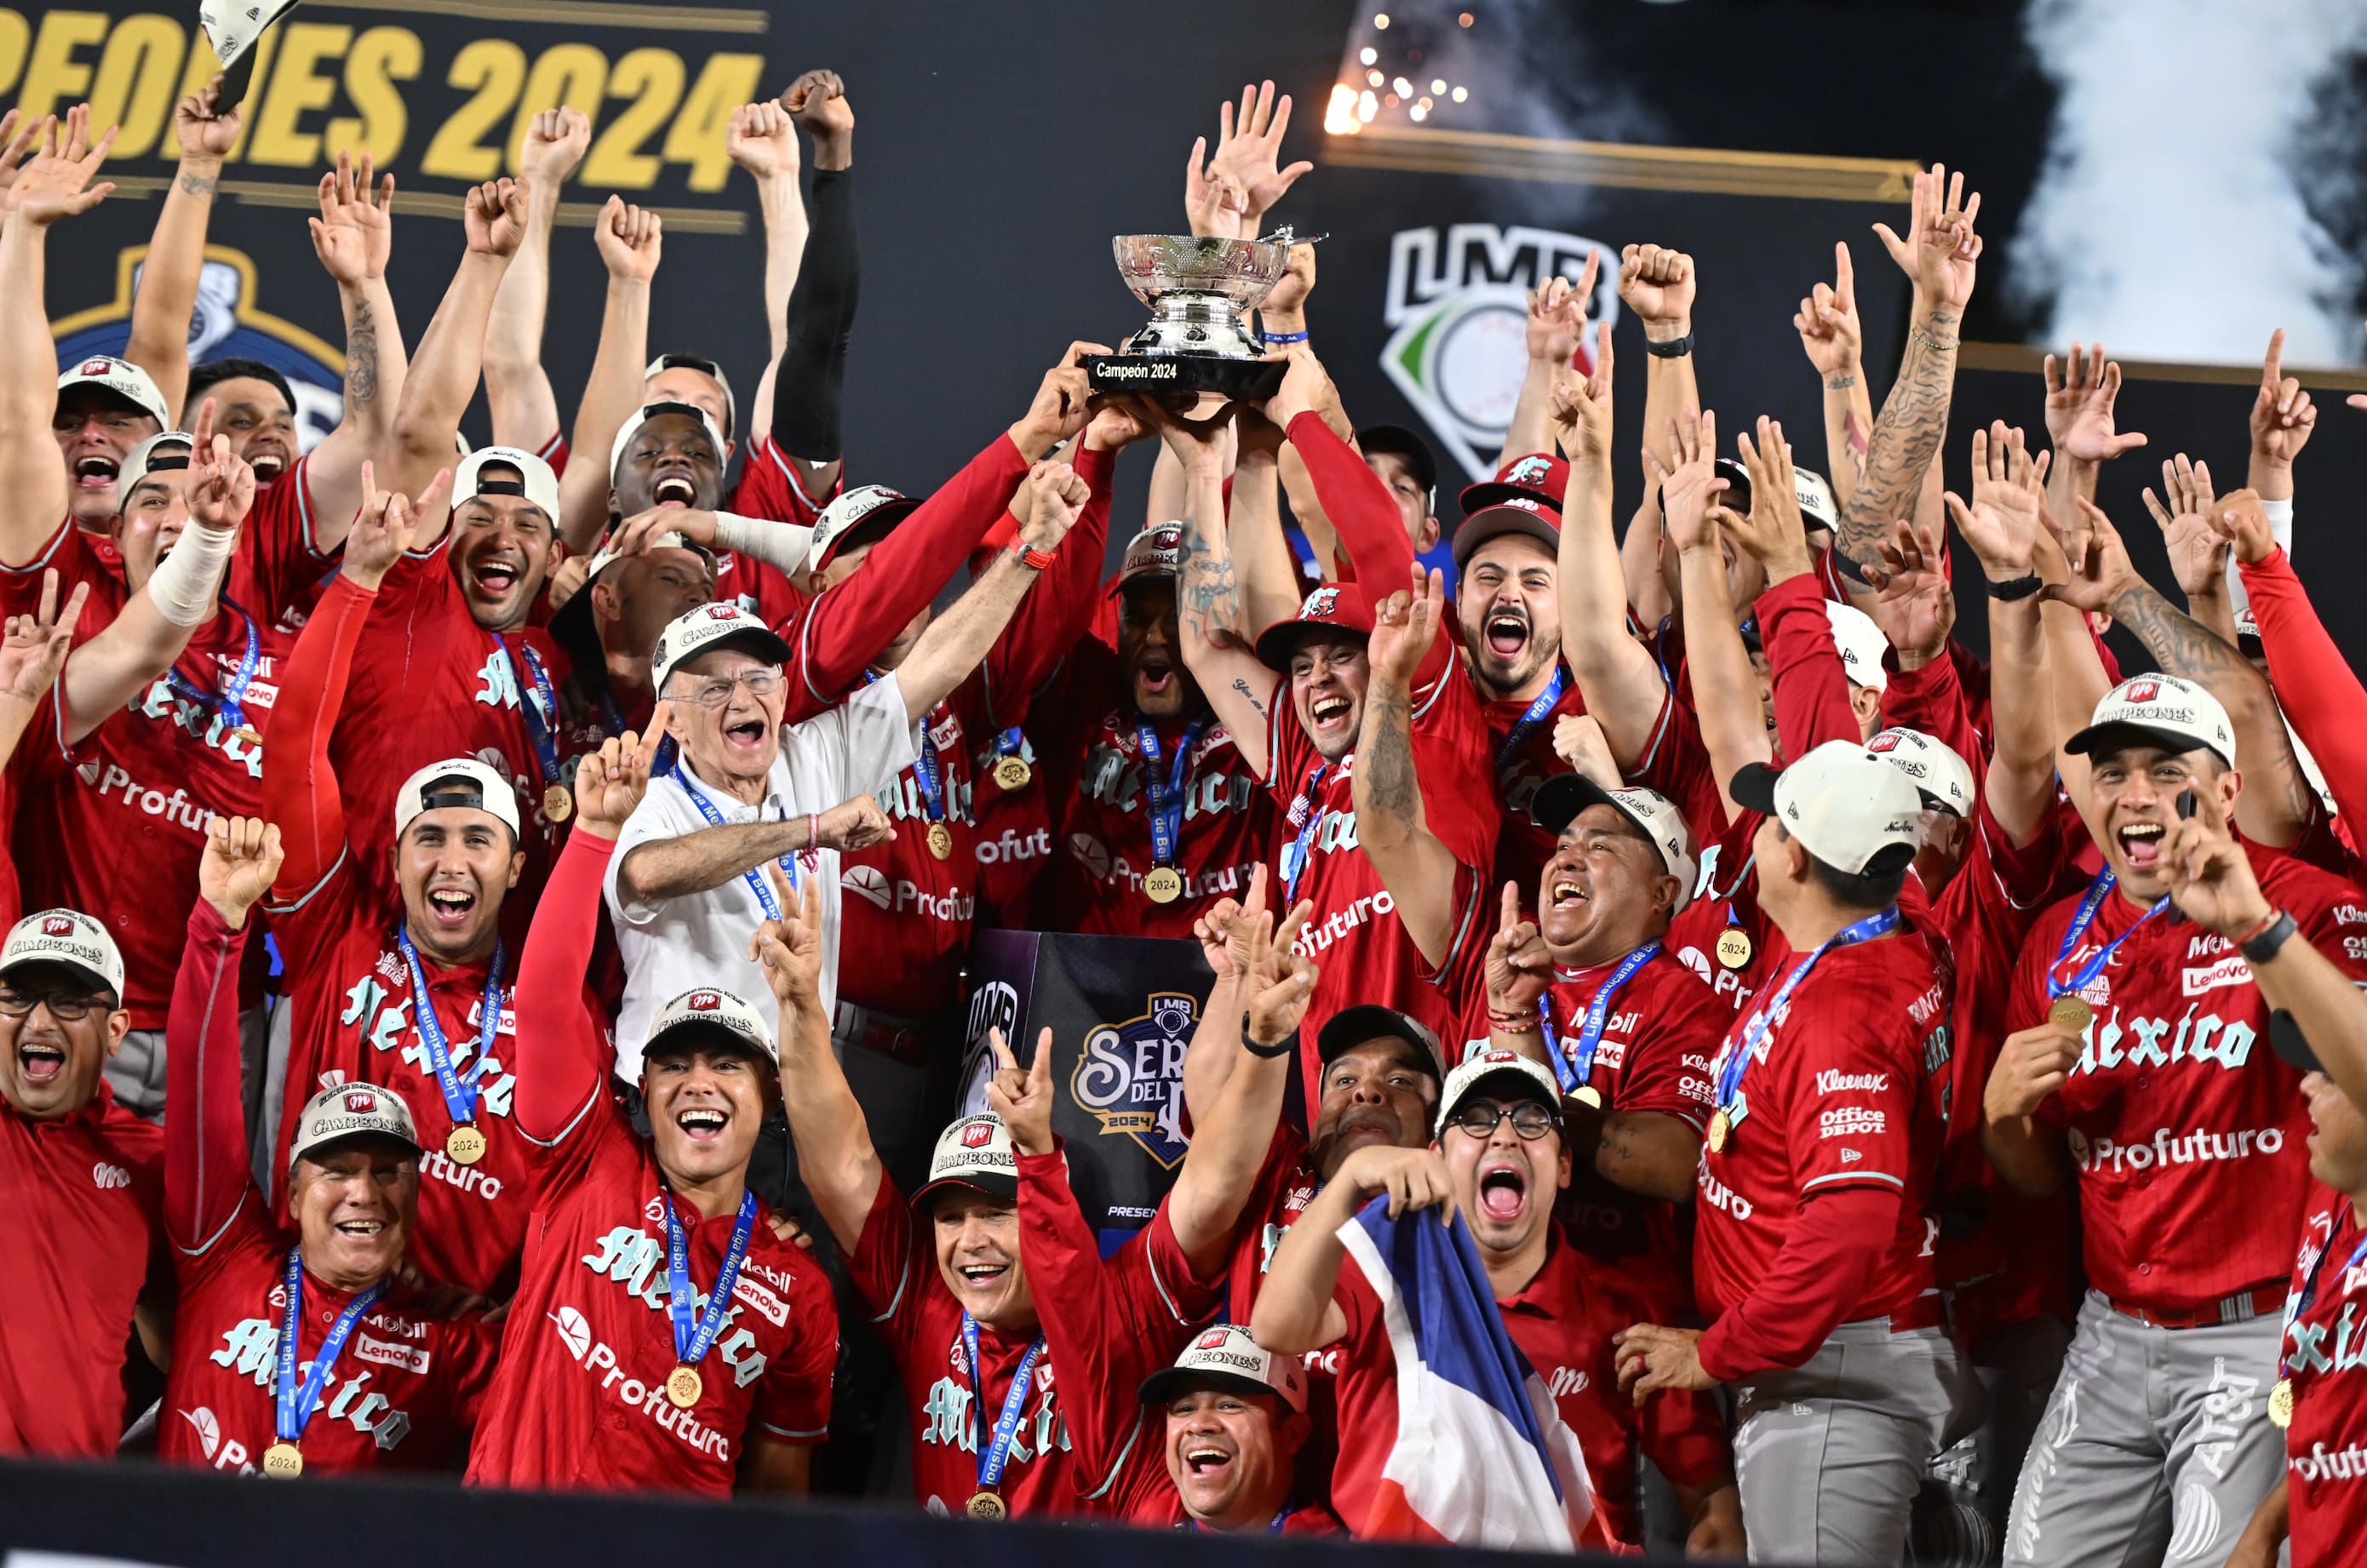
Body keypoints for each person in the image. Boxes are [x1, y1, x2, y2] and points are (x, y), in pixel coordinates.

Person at [606, 461, 1094, 1182]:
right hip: (684, 1116)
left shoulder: (814, 751)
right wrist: (810, 831)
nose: (744, 696)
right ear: (671, 718)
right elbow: (649, 872)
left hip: (798, 1101)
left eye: (759, 678)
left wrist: (1031, 551)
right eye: (713, 687)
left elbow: (941, 662)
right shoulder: (659, 805)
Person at [1984, 675, 2367, 1567]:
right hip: (2110, 1332)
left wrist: (2255, 933)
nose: (2135, 795)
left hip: (2257, 1329)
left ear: (2226, 789)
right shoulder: (2055, 943)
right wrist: (2001, 1121)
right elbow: (2041, 1173)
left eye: (2165, 769)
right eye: (2111, 773)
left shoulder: (2308, 909)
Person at [756, 884, 1261, 1519]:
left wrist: (1251, 1013)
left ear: (1052, 1211)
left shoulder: (1126, 1308)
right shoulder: (924, 1303)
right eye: (951, 1217)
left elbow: (1215, 1182)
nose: (970, 1241)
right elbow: (838, 1164)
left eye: (997, 1212)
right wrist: (802, 1006)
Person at [1619, 741, 1976, 1565]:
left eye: (1773, 818)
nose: (1753, 829)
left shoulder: (1840, 1020)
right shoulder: (1891, 920)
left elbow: (1846, 1226)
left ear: (1793, 857)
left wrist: (1713, 1353)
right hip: (1830, 1351)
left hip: (1830, 1378)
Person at [468, 727, 838, 1495]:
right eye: (673, 1064)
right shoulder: (585, 1165)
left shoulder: (798, 1287)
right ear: (641, 1088)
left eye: (726, 1064)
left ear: (768, 1095)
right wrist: (595, 836)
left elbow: (779, 1491)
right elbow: (541, 1002)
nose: (697, 1082)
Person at [1251, 1047, 1741, 1549]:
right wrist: (1348, 1182)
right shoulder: (1388, 1272)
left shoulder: (1626, 1311)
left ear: (1565, 1166)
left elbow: (1710, 1499)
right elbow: (1274, 1330)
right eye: (1477, 1119)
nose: (1505, 1135)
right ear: (1437, 1157)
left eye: (1532, 1121)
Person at [1175, 348, 1499, 1084]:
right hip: (1328, 1102)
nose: (1317, 675)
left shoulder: (1428, 716)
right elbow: (1204, 643)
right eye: (1300, 664)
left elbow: (1381, 553)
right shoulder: (1306, 772)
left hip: (1427, 1094)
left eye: (1340, 656)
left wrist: (1301, 422)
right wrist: (1222, 465)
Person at [261, 467, 546, 1297]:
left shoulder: (553, 1010)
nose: (450, 862)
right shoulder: (333, 937)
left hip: (456, 1357)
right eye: (427, 839)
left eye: (476, 840)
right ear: (390, 859)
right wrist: (354, 583)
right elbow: (292, 748)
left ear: (516, 868)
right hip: (311, 1310)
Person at [162, 816, 498, 1476]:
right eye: (336, 1169)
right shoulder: (223, 1257)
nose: (363, 1192)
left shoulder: (448, 1352)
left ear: (417, 1196)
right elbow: (199, 1083)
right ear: (289, 1191)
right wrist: (219, 923)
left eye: (388, 1172)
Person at [12, 415, 265, 1114]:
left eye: (197, 499)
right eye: (152, 500)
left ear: (237, 537)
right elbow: (144, 646)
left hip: (215, 1020)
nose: (176, 516)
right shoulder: (69, 645)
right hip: (65, 1011)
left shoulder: (286, 661)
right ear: (115, 536)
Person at [1040, 522, 1272, 935]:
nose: (1154, 636)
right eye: (1138, 617)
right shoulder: (1085, 692)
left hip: (1218, 977)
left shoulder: (1257, 717)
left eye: (1179, 617)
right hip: (1085, 979)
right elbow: (1047, 609)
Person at [0, 907, 163, 1458]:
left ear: (116, 1030)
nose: (38, 1021)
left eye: (69, 1001)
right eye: (16, 996)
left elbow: (177, 1342)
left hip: (65, 1511)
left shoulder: (151, 1166)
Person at [1134, 1326, 1340, 1533]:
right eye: (1185, 1409)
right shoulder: (1150, 1525)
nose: (1198, 1425)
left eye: (1229, 1406)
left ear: (1292, 1434)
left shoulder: (1321, 1554)